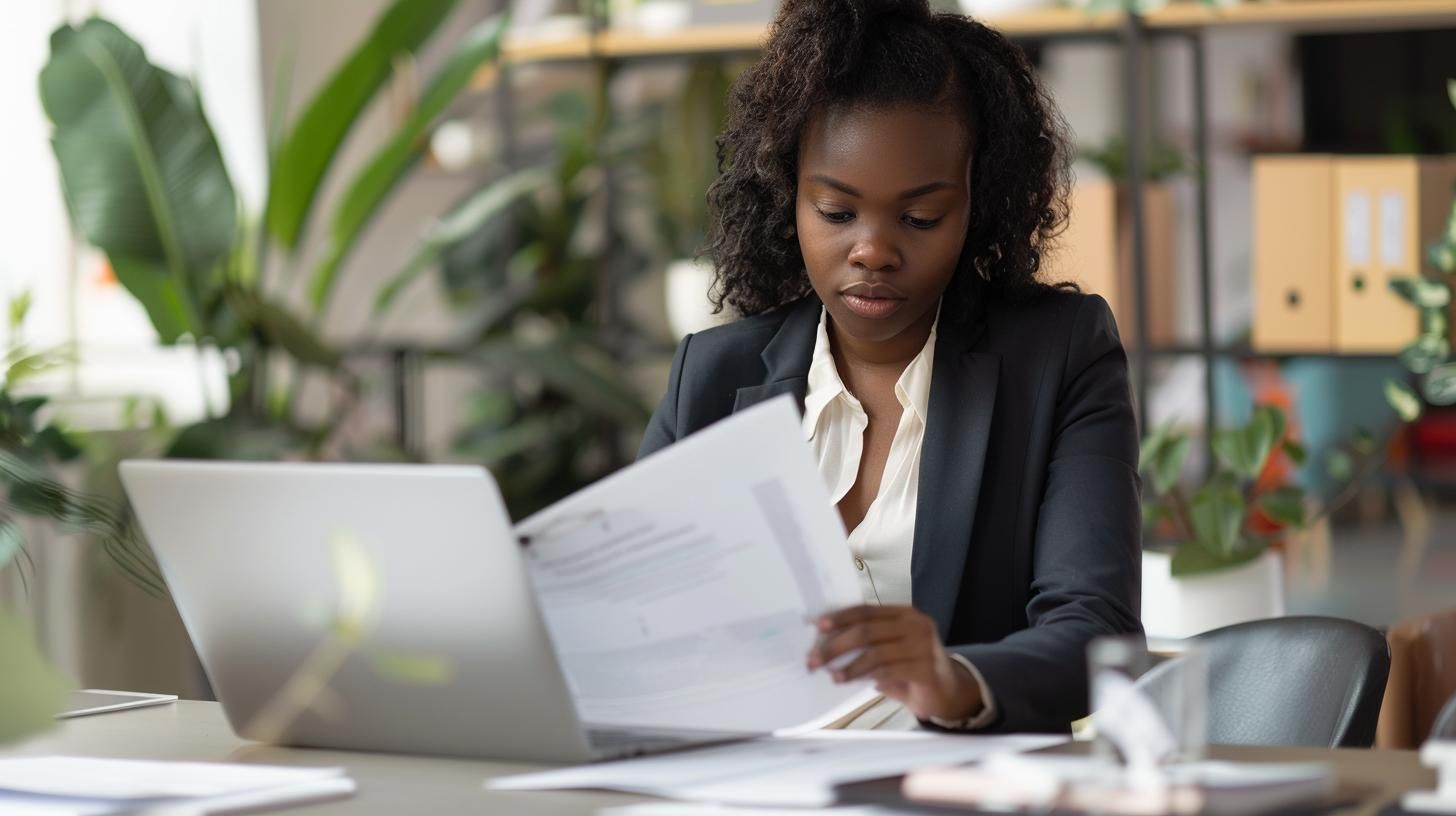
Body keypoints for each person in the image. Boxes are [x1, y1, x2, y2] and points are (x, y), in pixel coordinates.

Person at [638, 0, 1143, 733]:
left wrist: (956, 678)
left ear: (979, 201)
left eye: (919, 217)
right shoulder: (714, 377)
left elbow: (1098, 628)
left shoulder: (1059, 356)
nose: (873, 249)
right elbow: (634, 610)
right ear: (789, 197)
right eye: (837, 212)